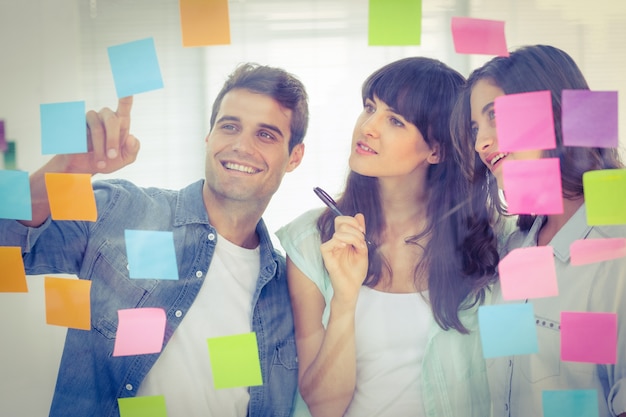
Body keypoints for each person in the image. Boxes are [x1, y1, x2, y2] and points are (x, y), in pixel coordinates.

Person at [0, 63, 307, 417]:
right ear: (209, 138)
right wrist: (65, 168)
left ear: (294, 157)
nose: (241, 145)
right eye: (230, 126)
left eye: (266, 135)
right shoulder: (123, 211)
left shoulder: (291, 287)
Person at [276, 57, 499, 417]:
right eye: (369, 108)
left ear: (436, 150)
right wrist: (345, 300)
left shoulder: (487, 243)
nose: (368, 127)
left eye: (395, 120)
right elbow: (323, 406)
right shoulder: (309, 241)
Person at [451, 44, 626, 417]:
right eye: (475, 128)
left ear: (557, 113)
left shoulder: (617, 250)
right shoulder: (515, 248)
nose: (481, 142)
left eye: (495, 115)